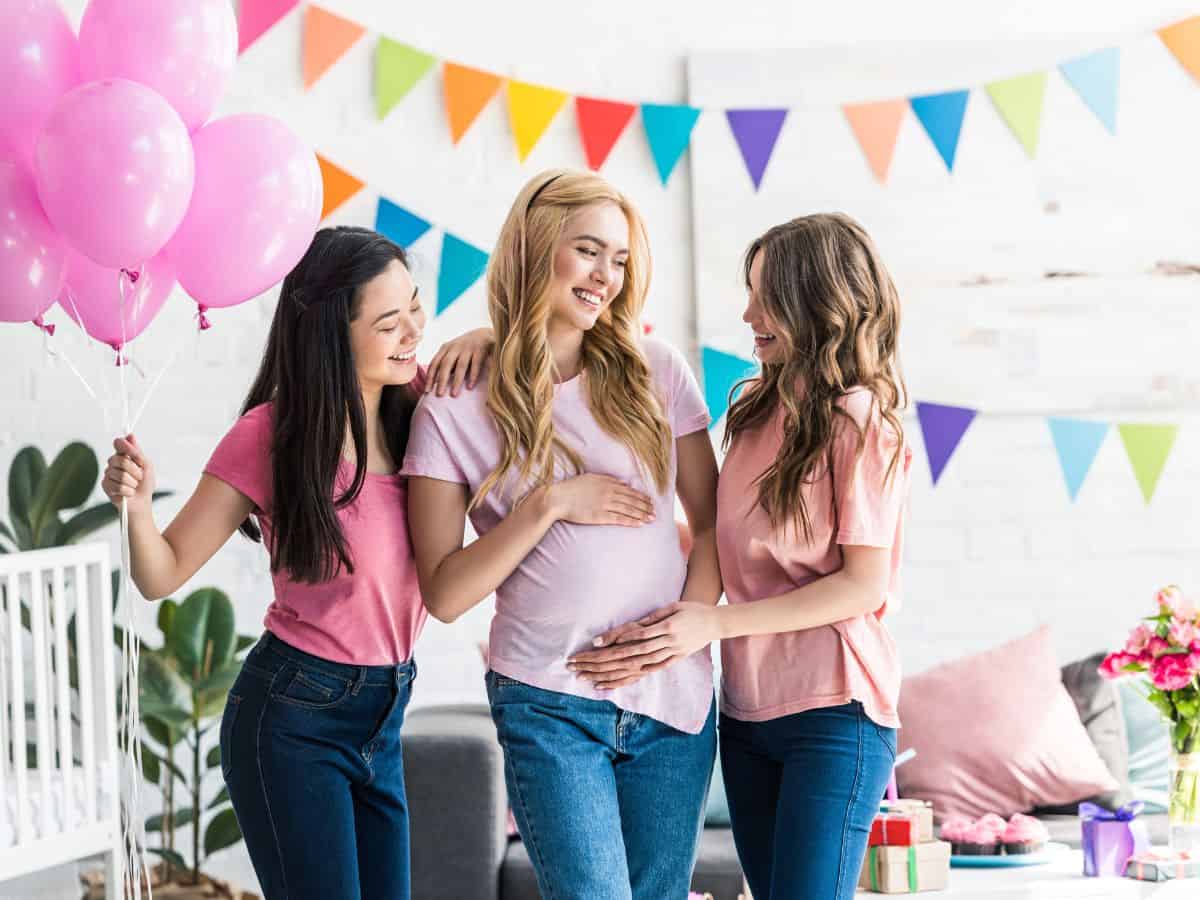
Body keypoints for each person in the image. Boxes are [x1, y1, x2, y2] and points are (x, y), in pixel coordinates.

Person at [100, 226, 492, 900]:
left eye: (416, 310)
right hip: (294, 717)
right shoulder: (270, 437)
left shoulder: (426, 404)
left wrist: (485, 337)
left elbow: (533, 358)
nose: (413, 333)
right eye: (390, 322)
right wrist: (135, 507)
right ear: (333, 334)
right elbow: (161, 573)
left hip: (387, 708)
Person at [570, 212, 912, 900]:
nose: (750, 313)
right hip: (748, 714)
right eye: (750, 292)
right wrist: (659, 635)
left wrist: (711, 625)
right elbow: (715, 544)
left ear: (821, 302)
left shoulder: (860, 420)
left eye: (768, 296)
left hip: (836, 713)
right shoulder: (754, 408)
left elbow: (861, 586)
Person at [402, 169, 723, 900]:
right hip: (548, 699)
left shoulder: (657, 371)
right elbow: (446, 594)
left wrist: (686, 633)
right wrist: (546, 505)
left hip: (670, 698)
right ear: (536, 246)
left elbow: (711, 528)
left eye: (619, 259)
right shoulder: (453, 404)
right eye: (588, 251)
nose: (606, 276)